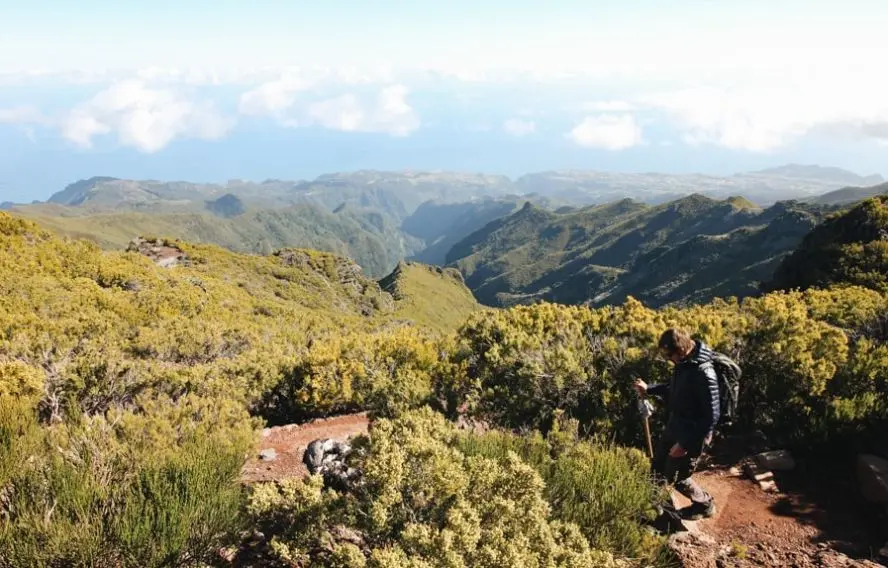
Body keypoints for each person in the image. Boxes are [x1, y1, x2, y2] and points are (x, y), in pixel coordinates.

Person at [633, 328, 720, 520]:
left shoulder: (704, 373)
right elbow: (675, 389)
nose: (668, 359)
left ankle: (705, 505)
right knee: (657, 468)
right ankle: (654, 511)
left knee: (677, 475)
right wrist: (649, 389)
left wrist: (685, 444)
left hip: (691, 434)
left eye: (669, 355)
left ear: (680, 350)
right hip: (675, 425)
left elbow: (711, 417)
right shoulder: (684, 363)